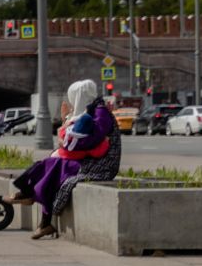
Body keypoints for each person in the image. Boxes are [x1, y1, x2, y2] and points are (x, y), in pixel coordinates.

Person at [9, 80, 121, 240]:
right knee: (51, 165)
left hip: (101, 164)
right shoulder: (92, 110)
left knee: (54, 166)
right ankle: (35, 206)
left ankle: (32, 200)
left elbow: (89, 140)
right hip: (89, 159)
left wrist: (65, 137)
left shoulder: (100, 112)